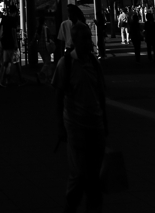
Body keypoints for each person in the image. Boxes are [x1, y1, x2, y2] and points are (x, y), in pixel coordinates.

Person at [53, 20, 107, 212]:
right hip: (75, 125)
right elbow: (58, 96)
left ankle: (93, 205)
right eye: (84, 38)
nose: (89, 42)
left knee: (95, 172)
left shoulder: (94, 63)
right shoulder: (65, 64)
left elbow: (101, 94)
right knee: (79, 172)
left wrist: (105, 122)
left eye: (89, 38)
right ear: (74, 41)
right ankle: (71, 204)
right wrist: (60, 125)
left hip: (96, 124)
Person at [0, 2, 19, 87]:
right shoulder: (13, 20)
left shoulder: (4, 19)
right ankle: (5, 80)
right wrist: (16, 43)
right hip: (10, 43)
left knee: (5, 62)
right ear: (14, 12)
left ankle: (0, 79)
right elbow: (13, 32)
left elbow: (0, 30)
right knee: (9, 62)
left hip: (3, 42)